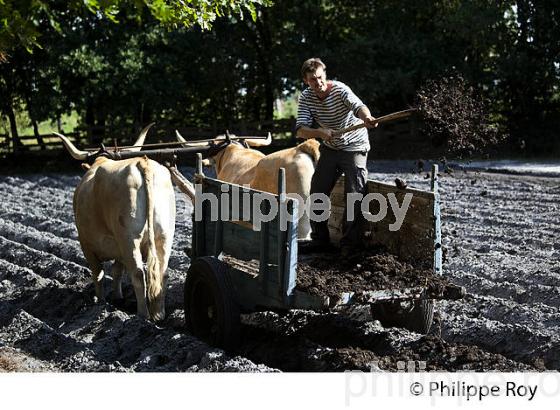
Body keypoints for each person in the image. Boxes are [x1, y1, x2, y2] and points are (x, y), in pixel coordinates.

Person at [296, 57, 377, 255]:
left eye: (321, 77)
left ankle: (349, 244)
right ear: (306, 81)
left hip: (354, 145)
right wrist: (320, 133)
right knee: (317, 190)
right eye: (313, 80)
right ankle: (320, 240)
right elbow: (300, 130)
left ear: (325, 74)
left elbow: (358, 106)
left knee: (355, 193)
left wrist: (366, 117)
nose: (319, 83)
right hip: (331, 147)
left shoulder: (340, 90)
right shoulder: (306, 97)